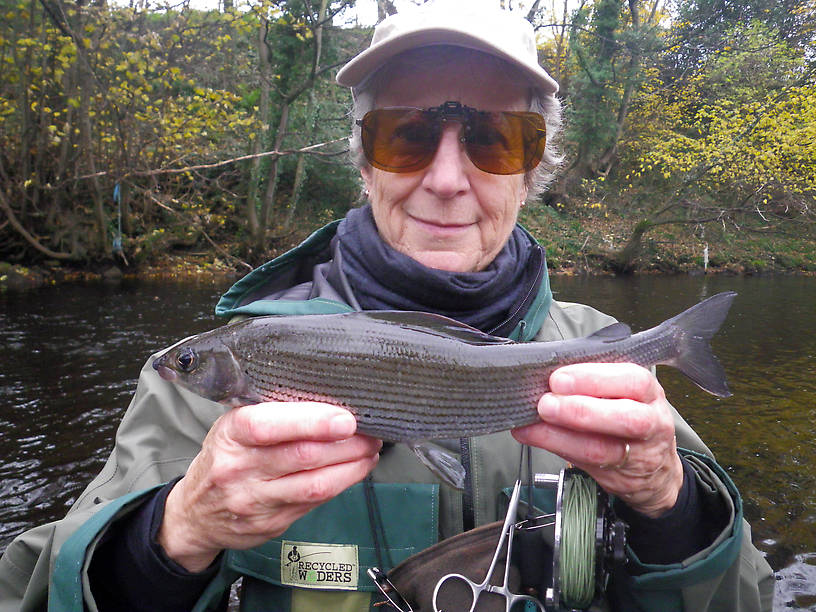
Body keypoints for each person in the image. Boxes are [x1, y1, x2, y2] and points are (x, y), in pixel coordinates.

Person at [0, 2, 774, 610]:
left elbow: (747, 598)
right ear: (363, 164)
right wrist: (172, 536)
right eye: (406, 136)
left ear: (531, 171)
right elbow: (34, 592)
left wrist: (672, 511)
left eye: (495, 140)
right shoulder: (206, 392)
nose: (445, 178)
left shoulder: (607, 368)